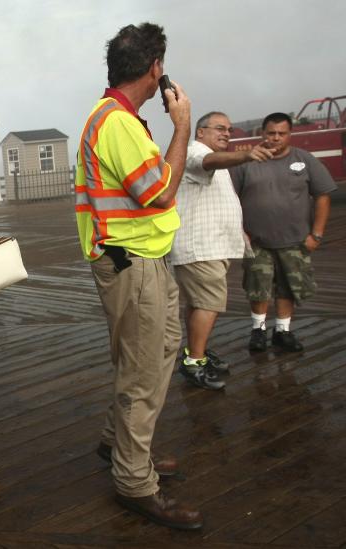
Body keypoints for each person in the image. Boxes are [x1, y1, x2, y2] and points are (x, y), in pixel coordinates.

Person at [75, 23, 201, 530]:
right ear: (154, 69)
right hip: (132, 264)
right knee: (144, 372)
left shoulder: (115, 118)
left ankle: (117, 442)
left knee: (156, 349)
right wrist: (183, 125)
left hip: (142, 260)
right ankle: (133, 480)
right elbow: (160, 192)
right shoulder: (118, 124)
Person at [170, 112, 274, 390]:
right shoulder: (195, 152)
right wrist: (246, 155)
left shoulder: (214, 157)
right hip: (200, 246)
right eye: (219, 128)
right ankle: (194, 362)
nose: (226, 133)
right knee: (208, 303)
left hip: (210, 246)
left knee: (198, 302)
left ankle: (196, 353)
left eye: (229, 129)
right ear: (200, 132)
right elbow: (207, 162)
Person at [232, 112, 336, 353]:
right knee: (258, 287)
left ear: (290, 134)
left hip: (296, 241)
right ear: (262, 133)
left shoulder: (305, 159)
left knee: (288, 287)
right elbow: (230, 199)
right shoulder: (246, 162)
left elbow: (323, 195)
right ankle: (258, 330)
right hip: (257, 241)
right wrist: (239, 232)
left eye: (281, 133)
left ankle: (283, 331)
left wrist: (317, 234)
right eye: (271, 133)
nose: (276, 138)